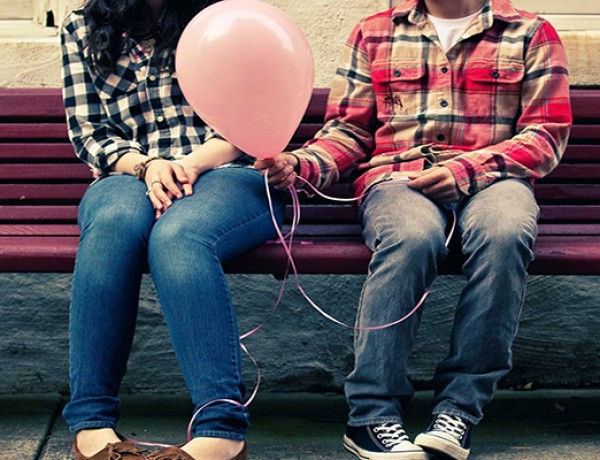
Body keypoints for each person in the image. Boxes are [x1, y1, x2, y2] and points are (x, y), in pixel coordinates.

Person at [256, 0, 571, 459]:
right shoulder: (374, 32)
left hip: (495, 178)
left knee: (505, 233)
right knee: (412, 237)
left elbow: (546, 132)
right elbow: (348, 131)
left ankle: (458, 411)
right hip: (398, 178)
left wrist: (463, 171)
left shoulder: (530, 32)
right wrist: (300, 165)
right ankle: (371, 414)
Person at [60, 1, 286, 459]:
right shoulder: (81, 27)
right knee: (112, 225)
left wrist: (188, 165)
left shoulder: (223, 20)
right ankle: (91, 423)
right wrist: (148, 166)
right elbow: (89, 131)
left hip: (224, 172)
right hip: (128, 173)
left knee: (178, 237)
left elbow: (251, 121)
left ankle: (221, 430)